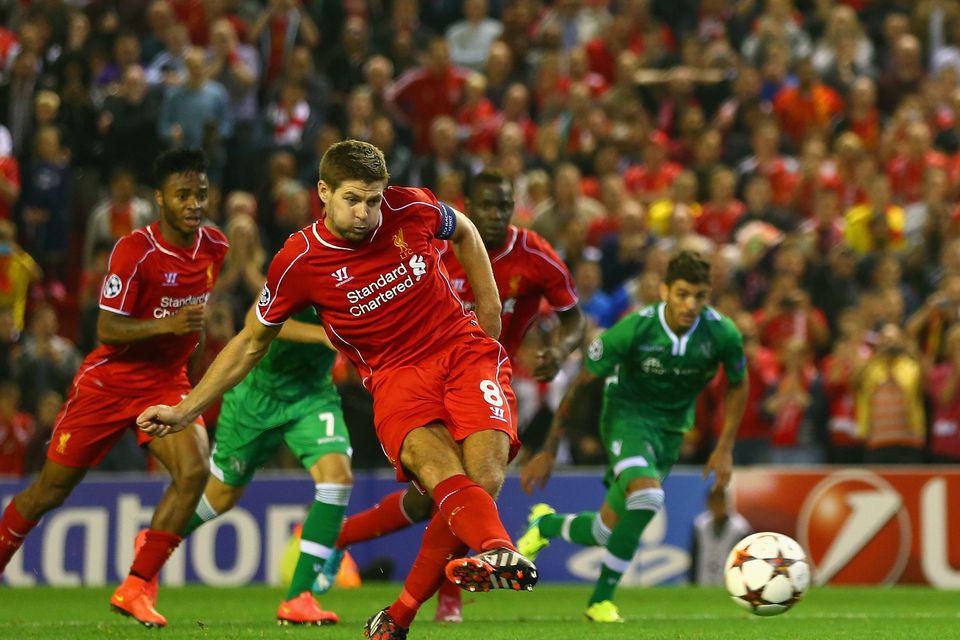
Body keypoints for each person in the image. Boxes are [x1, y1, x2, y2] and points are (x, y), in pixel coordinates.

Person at [136, 140, 538, 639]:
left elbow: (467, 231)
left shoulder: (410, 206)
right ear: (322, 192)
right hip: (394, 377)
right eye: (352, 199)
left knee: (484, 478)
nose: (365, 212)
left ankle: (448, 584)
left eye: (373, 200)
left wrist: (490, 308)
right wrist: (183, 408)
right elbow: (249, 343)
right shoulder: (299, 260)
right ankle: (462, 576)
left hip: (461, 350)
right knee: (438, 472)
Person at [324, 168, 586, 623]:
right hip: (425, 376)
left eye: (504, 206)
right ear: (468, 204)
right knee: (435, 497)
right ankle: (341, 541)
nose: (495, 215)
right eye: (486, 205)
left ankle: (435, 599)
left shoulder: (533, 254)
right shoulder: (434, 242)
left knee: (474, 483)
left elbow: (572, 317)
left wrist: (561, 349)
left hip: (483, 370)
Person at [0, 149, 228, 628]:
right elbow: (106, 328)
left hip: (165, 383)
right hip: (109, 382)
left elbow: (197, 326)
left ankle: (135, 587)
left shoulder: (214, 247)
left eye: (200, 194)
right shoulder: (135, 250)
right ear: (159, 198)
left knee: (193, 471)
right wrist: (165, 325)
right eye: (183, 194)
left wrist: (194, 372)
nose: (193, 203)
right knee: (49, 491)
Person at [518, 250, 748, 623]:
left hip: (670, 433)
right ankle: (601, 602)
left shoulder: (722, 333)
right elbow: (579, 386)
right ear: (664, 291)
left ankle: (545, 525)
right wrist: (549, 449)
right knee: (647, 495)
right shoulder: (634, 329)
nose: (691, 305)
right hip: (626, 418)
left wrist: (724, 447)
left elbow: (739, 384)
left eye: (700, 296)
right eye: (683, 294)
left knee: (604, 531)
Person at [142, 306, 350, 626]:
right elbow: (255, 319)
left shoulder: (363, 274)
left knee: (337, 478)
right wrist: (322, 335)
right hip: (257, 397)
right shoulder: (302, 263)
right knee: (222, 497)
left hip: (312, 395)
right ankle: (153, 543)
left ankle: (299, 597)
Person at [690, 486, 752, 585]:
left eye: (720, 500)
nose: (717, 505)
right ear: (708, 503)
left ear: (727, 502)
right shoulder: (700, 525)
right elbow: (695, 557)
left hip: (728, 586)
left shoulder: (740, 528)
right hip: (703, 583)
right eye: (713, 500)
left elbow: (745, 562)